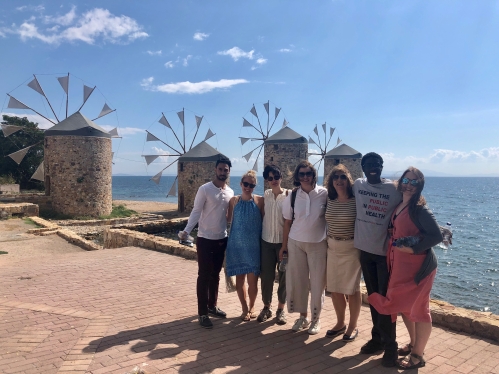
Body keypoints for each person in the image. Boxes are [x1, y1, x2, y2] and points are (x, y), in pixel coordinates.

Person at [369, 167, 442, 370]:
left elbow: (436, 236)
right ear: (401, 182)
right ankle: (413, 344)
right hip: (401, 265)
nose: (409, 185)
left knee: (420, 310)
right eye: (406, 181)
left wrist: (412, 248)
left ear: (420, 186)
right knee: (405, 308)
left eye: (414, 182)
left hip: (418, 268)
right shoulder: (401, 204)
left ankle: (418, 356)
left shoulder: (420, 209)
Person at [353, 152, 402, 367]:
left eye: (377, 164)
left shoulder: (393, 189)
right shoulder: (358, 185)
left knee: (386, 302)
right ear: (363, 167)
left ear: (382, 167)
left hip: (384, 255)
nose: (373, 167)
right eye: (369, 164)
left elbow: (412, 204)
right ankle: (377, 339)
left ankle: (391, 347)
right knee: (374, 299)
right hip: (365, 252)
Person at [178, 157, 234, 329]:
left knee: (215, 275)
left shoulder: (230, 192)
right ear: (215, 170)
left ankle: (212, 306)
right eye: (220, 169)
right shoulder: (205, 189)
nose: (223, 172)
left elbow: (228, 217)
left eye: (226, 170)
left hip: (221, 238)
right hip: (204, 238)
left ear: (229, 172)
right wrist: (187, 231)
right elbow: (196, 211)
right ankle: (202, 313)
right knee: (203, 275)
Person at [280, 160, 328, 335]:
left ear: (313, 174)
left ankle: (316, 319)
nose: (305, 177)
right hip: (295, 243)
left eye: (308, 173)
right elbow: (287, 222)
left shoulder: (324, 193)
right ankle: (303, 317)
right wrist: (284, 247)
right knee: (298, 282)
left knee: (317, 284)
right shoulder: (292, 196)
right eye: (302, 174)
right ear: (297, 177)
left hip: (318, 244)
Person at [324, 164, 362, 342]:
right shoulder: (329, 199)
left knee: (352, 290)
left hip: (351, 249)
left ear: (349, 180)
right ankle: (340, 323)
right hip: (332, 247)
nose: (339, 180)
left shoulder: (357, 200)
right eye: (336, 177)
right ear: (331, 181)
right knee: (335, 288)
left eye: (343, 177)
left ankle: (353, 326)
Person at [226, 170, 264, 321]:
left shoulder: (260, 201)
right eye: (246, 184)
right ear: (241, 184)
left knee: (253, 281)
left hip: (254, 247)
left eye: (252, 185)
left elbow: (264, 222)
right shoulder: (233, 201)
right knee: (240, 280)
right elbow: (228, 220)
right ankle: (244, 308)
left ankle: (252, 306)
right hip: (236, 246)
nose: (248, 187)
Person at [257, 165, 289, 324]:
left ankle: (281, 309)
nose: (274, 180)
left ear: (281, 177)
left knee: (284, 277)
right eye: (270, 178)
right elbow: (262, 215)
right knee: (266, 277)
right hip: (266, 242)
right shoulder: (266, 195)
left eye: (276, 177)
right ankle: (266, 307)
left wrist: (286, 244)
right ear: (267, 180)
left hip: (283, 244)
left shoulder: (289, 195)